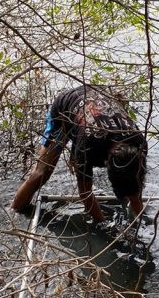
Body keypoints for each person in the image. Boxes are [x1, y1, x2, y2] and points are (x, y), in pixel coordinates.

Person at [11, 84, 147, 224]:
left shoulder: (139, 144)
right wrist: (105, 227)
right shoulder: (88, 148)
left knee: (131, 187)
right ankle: (14, 214)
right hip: (65, 110)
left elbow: (136, 186)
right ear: (106, 162)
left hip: (97, 97)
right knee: (41, 173)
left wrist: (138, 223)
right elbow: (85, 194)